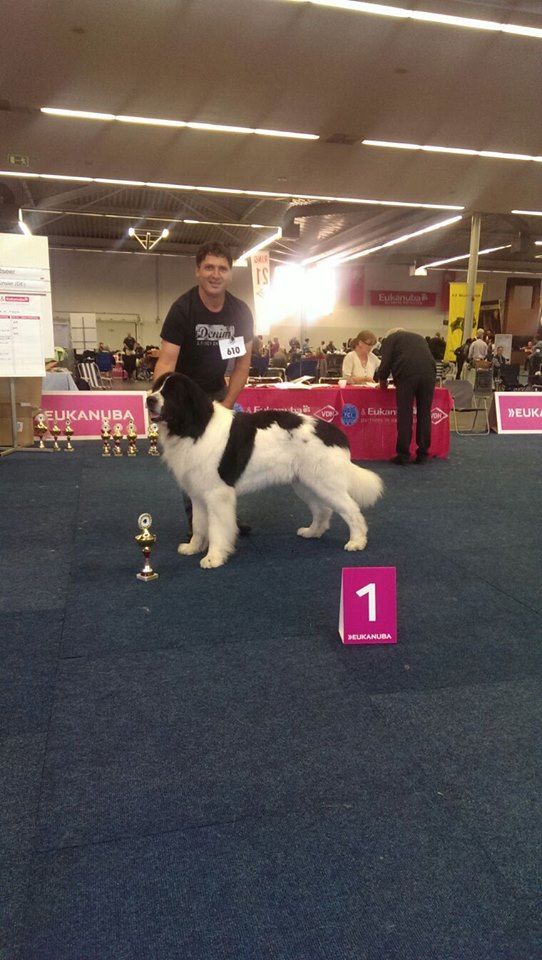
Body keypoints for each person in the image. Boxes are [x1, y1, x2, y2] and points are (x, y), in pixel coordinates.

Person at [153, 241, 254, 534]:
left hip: (218, 393)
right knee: (192, 463)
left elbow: (242, 365)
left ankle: (224, 519)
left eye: (222, 268)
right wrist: (161, 402)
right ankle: (197, 525)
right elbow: (166, 362)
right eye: (209, 267)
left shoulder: (239, 312)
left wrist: (227, 405)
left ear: (230, 273)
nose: (215, 274)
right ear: (198, 271)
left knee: (224, 460)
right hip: (184, 399)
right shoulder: (182, 309)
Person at [376, 328, 436, 465]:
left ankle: (403, 455)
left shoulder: (391, 339)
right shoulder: (419, 336)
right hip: (429, 374)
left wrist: (382, 381)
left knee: (405, 414)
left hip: (407, 374)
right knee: (425, 413)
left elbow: (386, 361)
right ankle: (423, 454)